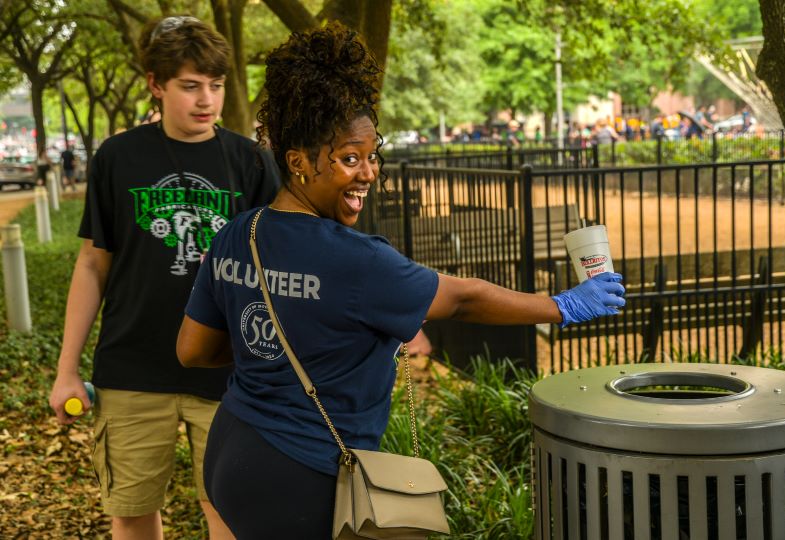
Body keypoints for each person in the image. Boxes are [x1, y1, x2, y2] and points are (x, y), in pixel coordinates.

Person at [175, 23, 625, 538]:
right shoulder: (358, 260)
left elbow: (193, 349)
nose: (368, 173)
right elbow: (462, 301)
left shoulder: (239, 234)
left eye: (372, 156)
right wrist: (564, 305)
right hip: (304, 474)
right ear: (298, 162)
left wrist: (279, 348)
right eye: (348, 158)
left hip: (232, 450)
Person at [49, 15, 280, 540]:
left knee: (228, 513)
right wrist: (67, 369)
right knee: (131, 513)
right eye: (190, 86)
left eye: (216, 86)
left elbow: (282, 266)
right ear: (156, 84)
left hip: (227, 373)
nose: (207, 100)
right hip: (131, 369)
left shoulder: (250, 162)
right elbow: (92, 264)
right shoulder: (117, 157)